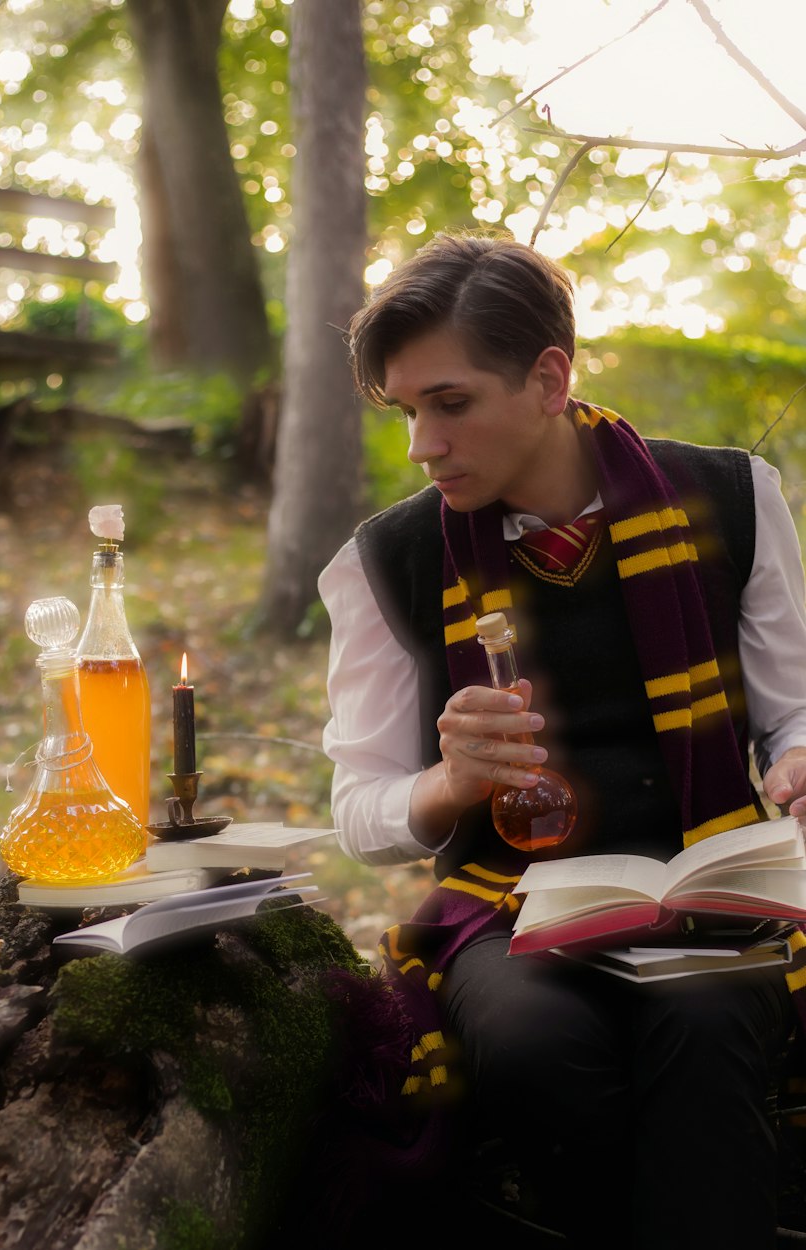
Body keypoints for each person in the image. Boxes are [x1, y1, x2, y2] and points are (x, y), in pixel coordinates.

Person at [318, 230, 806, 1249]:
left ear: (548, 378)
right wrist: (446, 785)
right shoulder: (384, 561)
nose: (421, 444)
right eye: (408, 411)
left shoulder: (733, 496)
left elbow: (794, 710)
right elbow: (358, 810)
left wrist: (797, 754)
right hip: (507, 906)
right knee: (532, 1043)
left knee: (710, 1020)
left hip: (711, 878)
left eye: (449, 403)